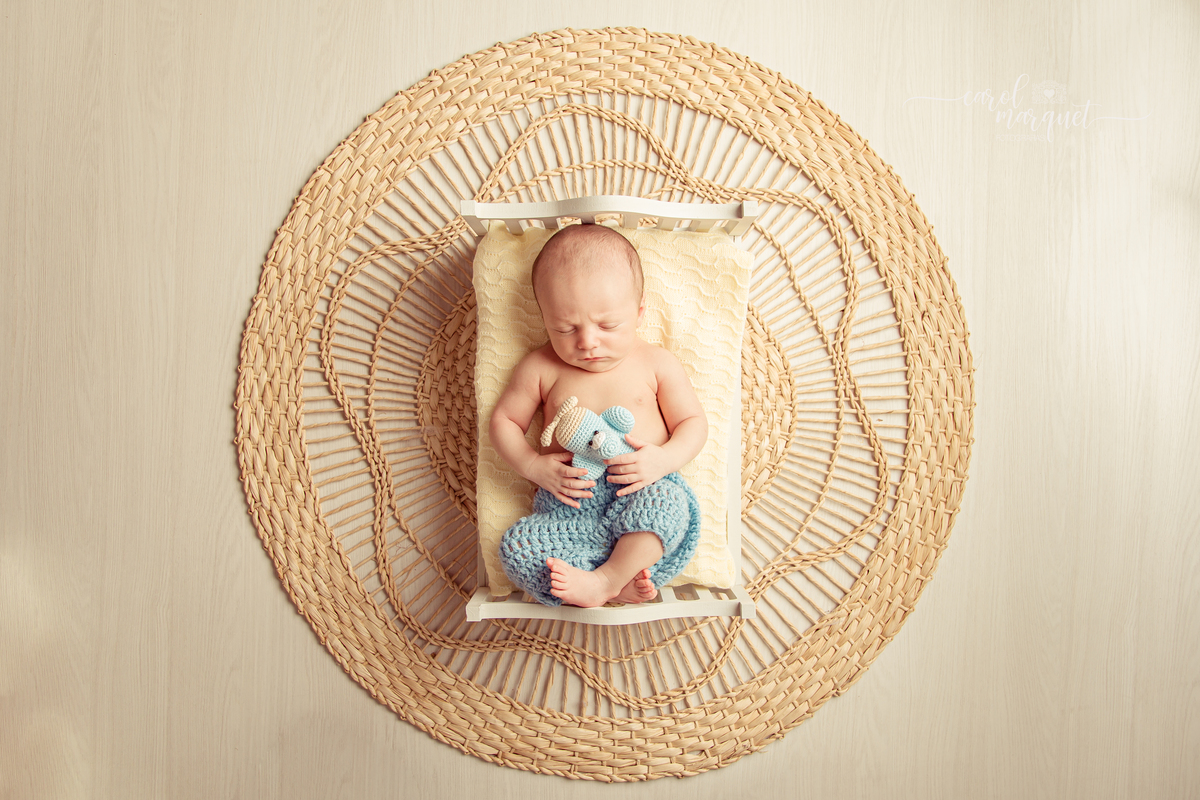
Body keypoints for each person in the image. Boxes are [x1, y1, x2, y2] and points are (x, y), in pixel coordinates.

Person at [489, 223, 707, 608]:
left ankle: (609, 578)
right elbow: (504, 422)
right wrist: (532, 466)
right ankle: (608, 582)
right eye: (565, 328)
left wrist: (663, 460)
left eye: (608, 325)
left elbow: (693, 423)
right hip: (570, 510)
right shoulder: (541, 367)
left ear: (639, 313)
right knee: (516, 546)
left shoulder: (656, 363)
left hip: (639, 491)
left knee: (668, 504)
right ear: (544, 319)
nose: (587, 342)